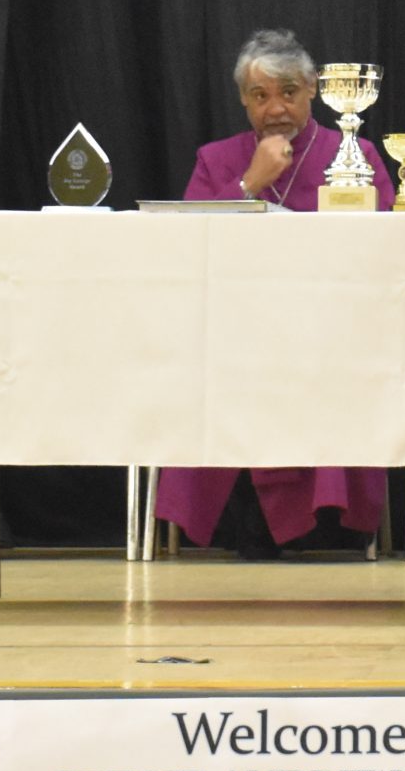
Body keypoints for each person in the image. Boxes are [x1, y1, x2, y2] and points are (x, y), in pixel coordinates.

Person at [157, 28, 390, 557]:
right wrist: (249, 183)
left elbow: (383, 244)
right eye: (260, 95)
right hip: (235, 330)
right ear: (244, 101)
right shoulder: (217, 159)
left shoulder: (354, 154)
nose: (276, 108)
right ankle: (246, 522)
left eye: (288, 92)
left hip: (331, 328)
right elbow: (185, 247)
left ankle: (331, 521)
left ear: (312, 90)